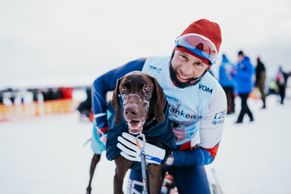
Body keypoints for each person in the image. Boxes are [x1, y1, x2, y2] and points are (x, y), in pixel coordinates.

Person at [91, 19, 227, 194]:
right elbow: (99, 84)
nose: (185, 70)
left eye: (198, 64)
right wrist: (103, 129)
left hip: (182, 151)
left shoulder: (214, 95)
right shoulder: (149, 66)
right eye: (183, 56)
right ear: (174, 51)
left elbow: (208, 155)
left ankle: (171, 178)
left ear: (208, 68)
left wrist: (166, 157)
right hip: (142, 145)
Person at [233, 50, 254, 123]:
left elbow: (249, 76)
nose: (239, 58)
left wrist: (238, 73)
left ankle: (240, 119)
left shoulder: (248, 63)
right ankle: (251, 116)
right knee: (244, 104)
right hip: (240, 88)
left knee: (243, 104)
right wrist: (232, 74)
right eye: (238, 56)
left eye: (240, 56)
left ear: (243, 56)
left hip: (246, 88)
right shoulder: (238, 64)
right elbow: (236, 77)